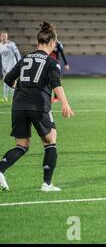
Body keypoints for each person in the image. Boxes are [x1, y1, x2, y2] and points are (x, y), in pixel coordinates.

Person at [0, 22, 75, 192]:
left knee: (21, 145)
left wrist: (21, 88)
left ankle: (0, 170)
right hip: (38, 105)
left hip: (18, 105)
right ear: (51, 43)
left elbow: (7, 79)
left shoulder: (25, 58)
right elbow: (56, 83)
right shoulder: (52, 62)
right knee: (50, 141)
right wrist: (65, 103)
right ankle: (47, 184)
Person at [0, 31, 21, 103]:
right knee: (5, 81)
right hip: (4, 66)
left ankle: (14, 98)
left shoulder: (11, 44)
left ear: (7, 37)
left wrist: (20, 62)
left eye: (5, 36)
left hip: (12, 65)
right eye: (2, 36)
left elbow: (17, 53)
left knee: (11, 81)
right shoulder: (0, 45)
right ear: (0, 37)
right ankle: (5, 97)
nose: (3, 38)